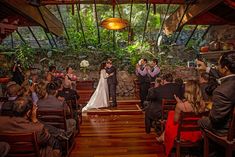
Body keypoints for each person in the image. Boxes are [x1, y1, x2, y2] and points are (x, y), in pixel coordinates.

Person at [198, 51, 235, 156]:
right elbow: (222, 77)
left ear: (225, 68)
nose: (217, 67)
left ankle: (212, 151)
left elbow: (215, 118)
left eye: (218, 64)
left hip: (226, 131)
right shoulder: (228, 82)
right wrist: (206, 69)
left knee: (201, 121)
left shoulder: (221, 91)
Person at [157, 80, 205, 156]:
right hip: (197, 133)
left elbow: (176, 121)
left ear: (187, 91)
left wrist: (179, 104)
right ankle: (163, 135)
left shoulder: (180, 106)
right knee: (172, 114)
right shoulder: (202, 103)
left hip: (183, 134)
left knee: (172, 117)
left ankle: (164, 136)